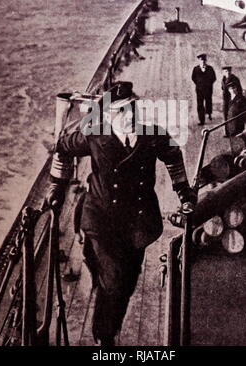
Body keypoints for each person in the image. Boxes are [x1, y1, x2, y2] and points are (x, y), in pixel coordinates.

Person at [46, 81, 196, 346]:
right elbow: (62, 147)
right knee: (114, 280)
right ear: (106, 116)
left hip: (137, 222)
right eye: (119, 112)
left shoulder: (151, 134)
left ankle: (105, 302)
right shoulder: (94, 134)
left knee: (127, 282)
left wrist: (183, 191)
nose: (128, 117)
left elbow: (173, 155)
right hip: (101, 219)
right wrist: (57, 186)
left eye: (130, 109)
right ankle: (104, 338)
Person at [192, 54, 217, 125]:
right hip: (199, 90)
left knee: (208, 102)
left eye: (204, 60)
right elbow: (193, 78)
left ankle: (209, 113)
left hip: (208, 89)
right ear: (199, 61)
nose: (202, 62)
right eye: (201, 60)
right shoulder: (196, 69)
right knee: (200, 104)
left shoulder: (210, 68)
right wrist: (199, 84)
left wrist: (208, 84)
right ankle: (201, 120)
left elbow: (213, 78)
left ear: (206, 61)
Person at [221, 66, 242, 136]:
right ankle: (227, 132)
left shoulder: (235, 79)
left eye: (229, 71)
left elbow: (239, 90)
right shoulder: (223, 79)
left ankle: (235, 131)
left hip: (233, 99)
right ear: (223, 72)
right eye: (226, 71)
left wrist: (238, 99)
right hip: (225, 99)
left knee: (233, 115)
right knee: (225, 114)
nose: (228, 73)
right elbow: (223, 88)